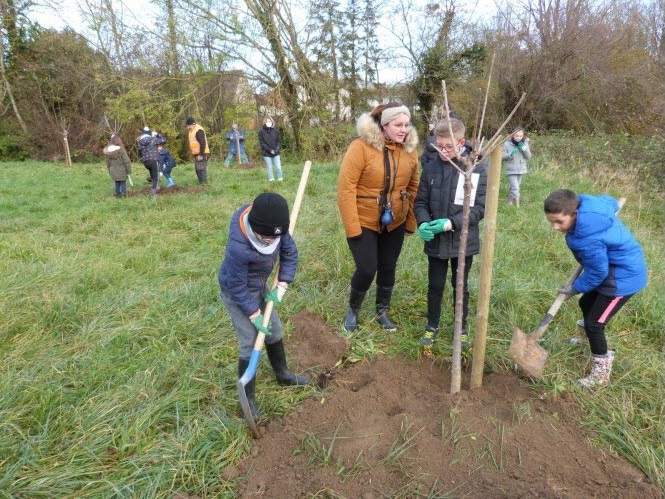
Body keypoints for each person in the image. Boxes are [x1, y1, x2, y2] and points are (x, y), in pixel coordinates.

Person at [218, 192, 310, 418]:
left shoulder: (277, 230)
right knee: (250, 340)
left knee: (275, 330)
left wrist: (281, 286)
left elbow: (290, 253)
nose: (271, 241)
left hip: (258, 286)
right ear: (254, 228)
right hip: (236, 293)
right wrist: (253, 314)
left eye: (274, 238)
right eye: (266, 238)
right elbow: (237, 287)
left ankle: (283, 374)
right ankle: (247, 398)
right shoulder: (238, 247)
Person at [544, 189, 647, 387]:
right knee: (586, 302)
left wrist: (574, 288)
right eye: (551, 222)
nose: (555, 227)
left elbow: (597, 273)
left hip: (622, 280)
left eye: (559, 222)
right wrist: (616, 205)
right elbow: (610, 201)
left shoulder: (587, 239)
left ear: (574, 213)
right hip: (611, 269)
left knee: (595, 323)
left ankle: (601, 373)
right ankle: (587, 341)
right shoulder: (591, 205)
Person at [337, 102, 420, 332]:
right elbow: (346, 189)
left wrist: (410, 220)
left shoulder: (410, 151)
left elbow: (414, 188)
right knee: (366, 267)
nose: (404, 129)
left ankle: (382, 310)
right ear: (384, 126)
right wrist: (352, 228)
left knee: (388, 266)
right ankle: (353, 309)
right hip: (364, 219)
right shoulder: (360, 148)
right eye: (398, 125)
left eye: (406, 124)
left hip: (395, 220)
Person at [414, 118, 487, 349]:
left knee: (460, 285)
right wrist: (424, 222)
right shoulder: (431, 165)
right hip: (435, 241)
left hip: (463, 241)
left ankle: (461, 327)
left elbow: (478, 209)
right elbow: (421, 201)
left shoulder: (474, 167)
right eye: (439, 145)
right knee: (435, 285)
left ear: (462, 142)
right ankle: (432, 325)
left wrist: (450, 224)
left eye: (448, 146)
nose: (443, 151)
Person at [502, 126, 532, 207]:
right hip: (511, 169)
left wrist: (524, 149)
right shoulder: (507, 144)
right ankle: (517, 205)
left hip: (521, 168)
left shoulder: (524, 143)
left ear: (523, 136)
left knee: (515, 186)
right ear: (512, 135)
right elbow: (502, 157)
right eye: (516, 136)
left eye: (520, 136)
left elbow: (528, 157)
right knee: (516, 188)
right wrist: (510, 154)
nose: (518, 138)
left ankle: (509, 201)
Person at [137, 126, 160, 196]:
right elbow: (164, 140)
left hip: (146, 161)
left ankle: (154, 185)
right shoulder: (153, 139)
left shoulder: (140, 141)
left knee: (152, 173)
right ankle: (154, 192)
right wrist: (157, 134)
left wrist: (142, 158)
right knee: (156, 176)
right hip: (153, 160)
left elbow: (139, 152)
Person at [185, 117, 210, 185]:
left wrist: (201, 155)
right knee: (197, 169)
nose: (188, 127)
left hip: (203, 153)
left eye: (188, 126)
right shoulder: (192, 131)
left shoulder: (199, 131)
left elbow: (203, 143)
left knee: (201, 169)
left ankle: (204, 184)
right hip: (197, 154)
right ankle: (201, 183)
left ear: (193, 124)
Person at [258, 116, 283, 182]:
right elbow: (262, 143)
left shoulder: (276, 131)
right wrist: (270, 150)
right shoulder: (261, 131)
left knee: (278, 167)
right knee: (269, 167)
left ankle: (280, 179)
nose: (268, 122)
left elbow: (278, 142)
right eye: (267, 121)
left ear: (272, 122)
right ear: (265, 122)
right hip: (266, 153)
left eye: (269, 121)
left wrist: (276, 150)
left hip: (276, 152)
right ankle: (271, 180)